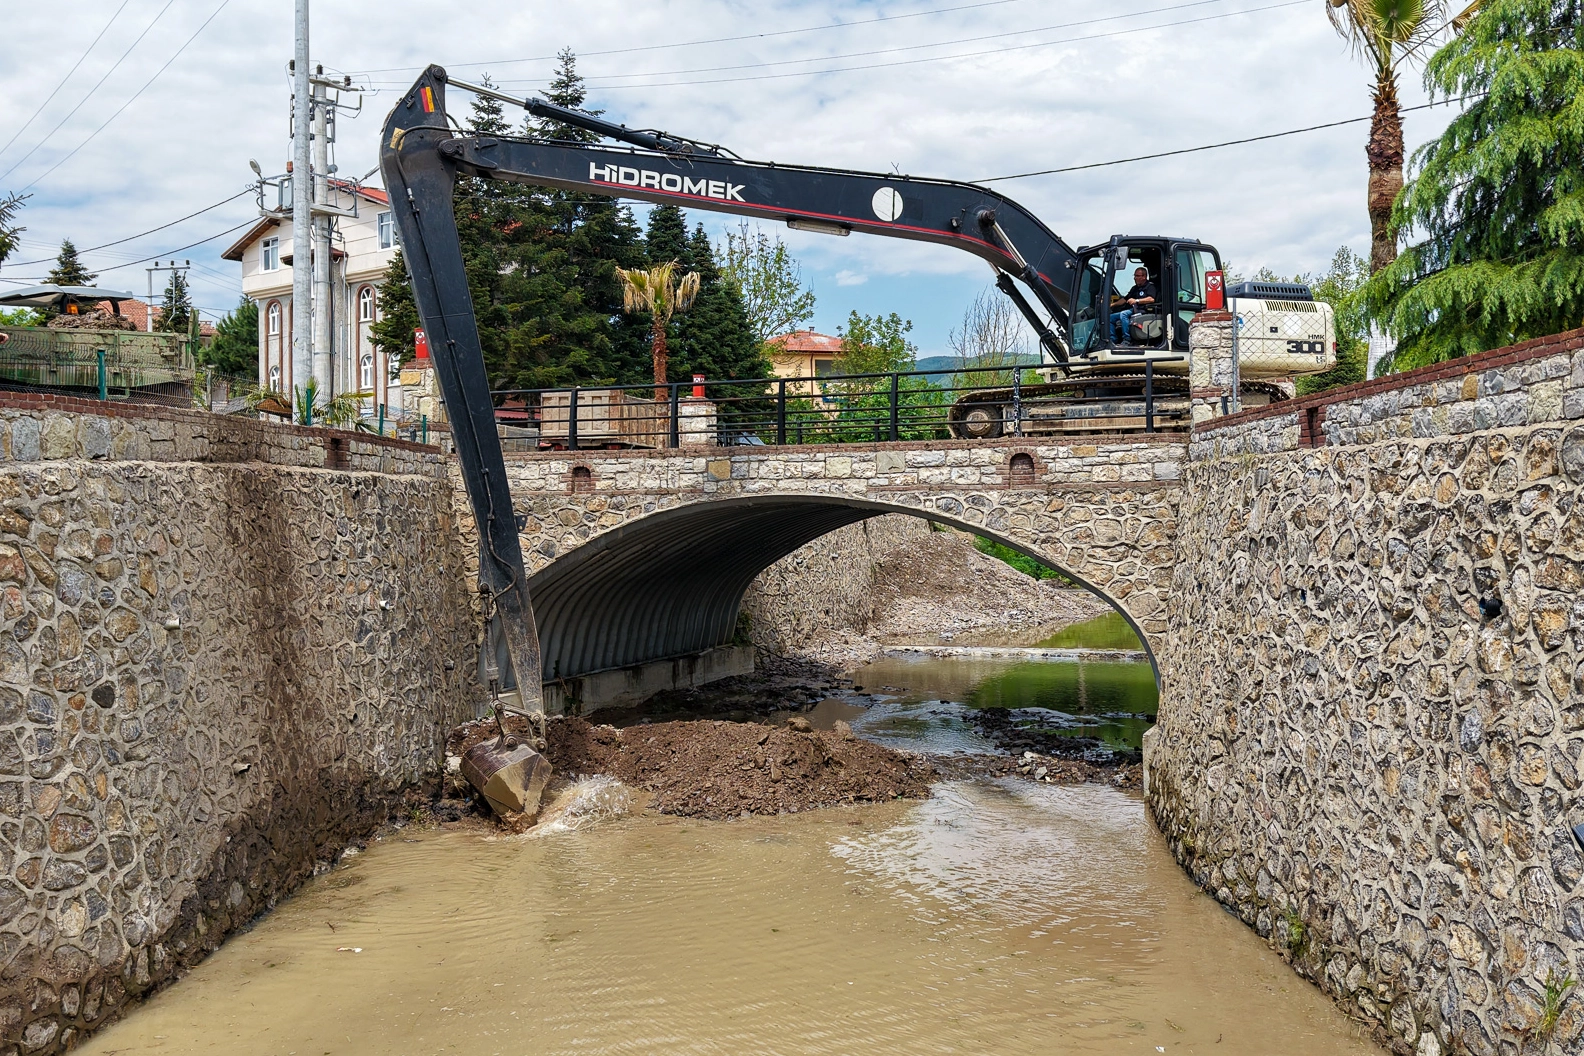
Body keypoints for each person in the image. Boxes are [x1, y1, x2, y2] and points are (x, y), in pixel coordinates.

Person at [1110, 266, 1159, 344]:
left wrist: (1136, 300)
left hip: (1143, 310)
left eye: (1137, 276)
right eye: (1135, 276)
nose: (1135, 278)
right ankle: (1113, 339)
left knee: (1124, 314)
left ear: (1144, 277)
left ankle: (1127, 339)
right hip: (1134, 310)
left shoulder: (1150, 286)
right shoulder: (1135, 288)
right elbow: (1125, 299)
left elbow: (1151, 299)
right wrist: (1112, 305)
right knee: (1110, 318)